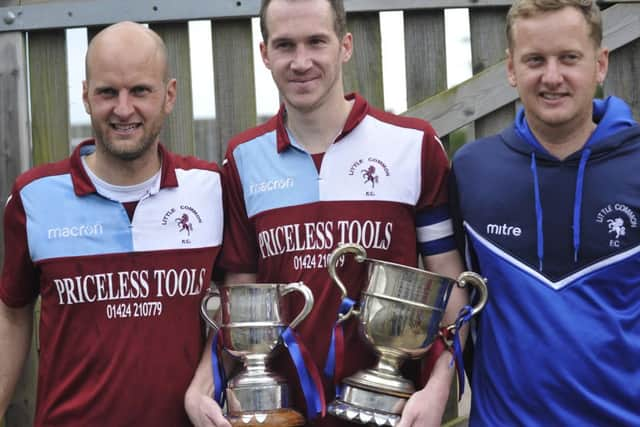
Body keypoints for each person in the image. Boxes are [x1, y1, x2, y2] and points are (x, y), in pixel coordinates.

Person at [184, 0, 470, 426]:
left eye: (316, 41)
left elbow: (449, 280)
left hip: (392, 412)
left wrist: (439, 386)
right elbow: (240, 297)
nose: (301, 62)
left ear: (345, 46)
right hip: (278, 414)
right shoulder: (244, 159)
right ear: (265, 54)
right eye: (285, 45)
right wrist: (201, 386)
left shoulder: (414, 146)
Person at [0, 21, 224, 426]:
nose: (123, 109)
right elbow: (12, 315)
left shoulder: (210, 190)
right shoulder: (34, 198)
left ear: (169, 95)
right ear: (85, 96)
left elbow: (238, 297)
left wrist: (206, 383)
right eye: (107, 92)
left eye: (140, 90)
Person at [450, 0, 640, 425]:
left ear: (600, 63)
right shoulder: (471, 170)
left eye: (569, 58)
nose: (552, 77)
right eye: (535, 59)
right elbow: (452, 296)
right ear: (512, 69)